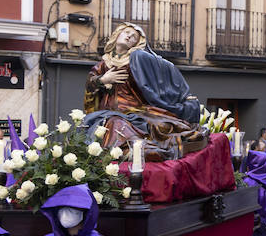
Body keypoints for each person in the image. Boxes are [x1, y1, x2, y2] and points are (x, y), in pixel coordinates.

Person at [83, 23, 207, 162]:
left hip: (137, 110)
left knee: (161, 124)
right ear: (117, 34)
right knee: (116, 123)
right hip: (110, 112)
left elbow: (160, 72)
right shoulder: (103, 65)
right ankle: (138, 148)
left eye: (134, 37)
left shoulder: (137, 61)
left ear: (137, 43)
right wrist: (103, 79)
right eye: (126, 32)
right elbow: (90, 85)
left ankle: (139, 148)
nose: (129, 36)